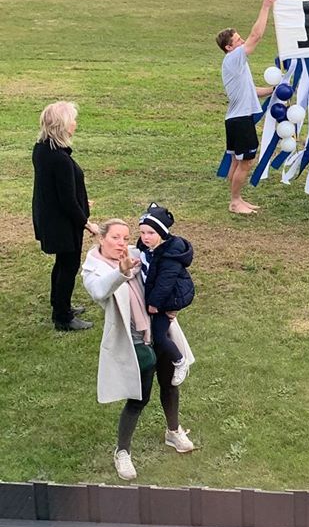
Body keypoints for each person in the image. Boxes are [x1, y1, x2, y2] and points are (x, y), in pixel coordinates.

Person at [82, 219, 195, 482]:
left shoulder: (136, 252)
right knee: (138, 398)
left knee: (169, 384)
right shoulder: (93, 269)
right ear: (101, 238)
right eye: (115, 238)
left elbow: (168, 268)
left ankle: (173, 431)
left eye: (125, 238)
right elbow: (100, 291)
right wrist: (121, 272)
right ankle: (122, 452)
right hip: (133, 342)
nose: (122, 243)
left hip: (159, 329)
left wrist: (173, 303)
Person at [32, 101, 99, 331]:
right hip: (62, 223)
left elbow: (55, 189)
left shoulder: (42, 148)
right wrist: (87, 223)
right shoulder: (59, 159)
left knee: (61, 264)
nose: (75, 124)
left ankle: (60, 304)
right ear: (62, 125)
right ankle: (63, 317)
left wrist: (81, 200)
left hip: (51, 218)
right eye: (72, 120)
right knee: (68, 266)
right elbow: (67, 200)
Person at [216, 0, 277, 215]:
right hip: (240, 120)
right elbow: (256, 36)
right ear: (229, 48)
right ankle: (235, 201)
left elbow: (253, 92)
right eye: (237, 40)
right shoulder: (234, 58)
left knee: (236, 162)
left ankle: (236, 198)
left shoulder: (237, 64)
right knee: (246, 162)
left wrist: (273, 90)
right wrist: (265, 7)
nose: (242, 42)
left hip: (235, 118)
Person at [137, 203, 195, 388]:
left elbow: (165, 282)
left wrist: (155, 304)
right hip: (161, 297)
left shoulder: (170, 253)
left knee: (159, 335)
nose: (145, 237)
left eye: (151, 233)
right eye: (142, 232)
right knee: (155, 332)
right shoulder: (149, 248)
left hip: (169, 298)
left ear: (162, 234)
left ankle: (180, 361)